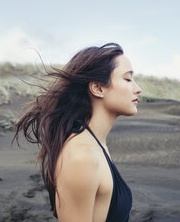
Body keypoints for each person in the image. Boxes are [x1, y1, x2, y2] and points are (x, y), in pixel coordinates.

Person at [12, 43, 142, 222]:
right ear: (97, 88)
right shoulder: (82, 157)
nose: (138, 88)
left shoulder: (96, 143)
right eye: (127, 79)